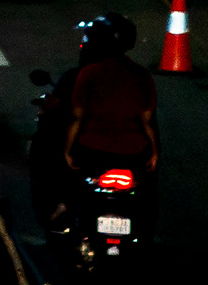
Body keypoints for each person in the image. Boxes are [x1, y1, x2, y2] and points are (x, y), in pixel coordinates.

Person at [54, 13, 162, 182]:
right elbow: (148, 122)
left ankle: (63, 206)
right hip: (132, 152)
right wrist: (155, 153)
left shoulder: (89, 73)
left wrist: (67, 151)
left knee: (72, 180)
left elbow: (76, 117)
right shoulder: (141, 74)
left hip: (93, 150)